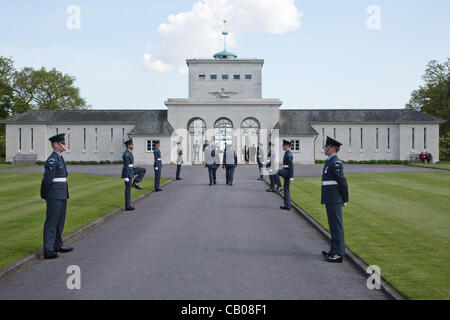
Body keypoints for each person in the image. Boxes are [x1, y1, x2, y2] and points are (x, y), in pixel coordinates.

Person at [40, 133, 73, 259]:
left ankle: (58, 244)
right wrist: (44, 195)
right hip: (54, 194)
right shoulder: (52, 159)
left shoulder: (59, 157)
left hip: (62, 193)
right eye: (62, 143)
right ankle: (48, 249)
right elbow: (47, 180)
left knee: (60, 221)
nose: (65, 145)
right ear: (56, 145)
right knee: (51, 222)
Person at [321, 136, 349, 263]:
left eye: (326, 146)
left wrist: (344, 198)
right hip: (330, 198)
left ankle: (339, 253)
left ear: (332, 148)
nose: (324, 148)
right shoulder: (330, 161)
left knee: (337, 226)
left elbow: (342, 182)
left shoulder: (335, 162)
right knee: (333, 226)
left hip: (334, 198)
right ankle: (333, 250)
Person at [121, 139, 147, 211]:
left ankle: (135, 182)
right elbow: (126, 166)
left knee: (143, 170)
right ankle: (128, 206)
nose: (133, 146)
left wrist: (134, 168)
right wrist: (126, 176)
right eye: (132, 144)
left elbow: (130, 165)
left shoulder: (130, 152)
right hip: (128, 172)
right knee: (128, 190)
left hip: (131, 170)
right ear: (128, 146)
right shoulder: (126, 154)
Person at [277, 139, 294, 211]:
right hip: (286, 172)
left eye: (283, 145)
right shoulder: (287, 153)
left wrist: (291, 176)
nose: (282, 146)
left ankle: (279, 185)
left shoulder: (289, 154)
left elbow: (291, 166)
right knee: (286, 189)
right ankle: (287, 205)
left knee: (275, 171)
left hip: (287, 172)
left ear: (287, 146)